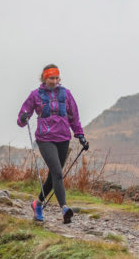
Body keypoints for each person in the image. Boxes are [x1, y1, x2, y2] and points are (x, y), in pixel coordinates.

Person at [16, 64, 89, 223]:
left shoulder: (66, 94)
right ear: (44, 78)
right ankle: (64, 208)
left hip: (63, 138)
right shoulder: (35, 95)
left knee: (54, 176)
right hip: (45, 139)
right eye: (51, 78)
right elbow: (23, 116)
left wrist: (80, 135)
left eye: (56, 78)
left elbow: (74, 117)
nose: (54, 81)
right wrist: (23, 118)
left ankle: (37, 204)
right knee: (57, 172)